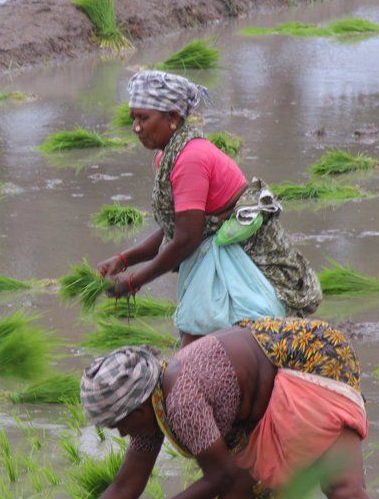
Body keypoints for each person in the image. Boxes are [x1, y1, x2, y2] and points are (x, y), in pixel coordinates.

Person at [48, 317, 379, 499]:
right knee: (235, 482)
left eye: (119, 423)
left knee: (341, 486)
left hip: (312, 362)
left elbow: (220, 477)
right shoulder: (153, 408)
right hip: (258, 391)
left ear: (136, 407)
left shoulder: (181, 402)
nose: (122, 433)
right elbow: (126, 484)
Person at [96, 70, 321, 344]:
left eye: (144, 118)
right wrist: (124, 260)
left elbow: (187, 239)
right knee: (201, 344)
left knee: (216, 343)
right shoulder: (167, 156)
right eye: (134, 118)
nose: (136, 128)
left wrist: (135, 281)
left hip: (248, 260)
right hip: (215, 252)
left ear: (173, 118)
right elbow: (177, 227)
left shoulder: (190, 158)